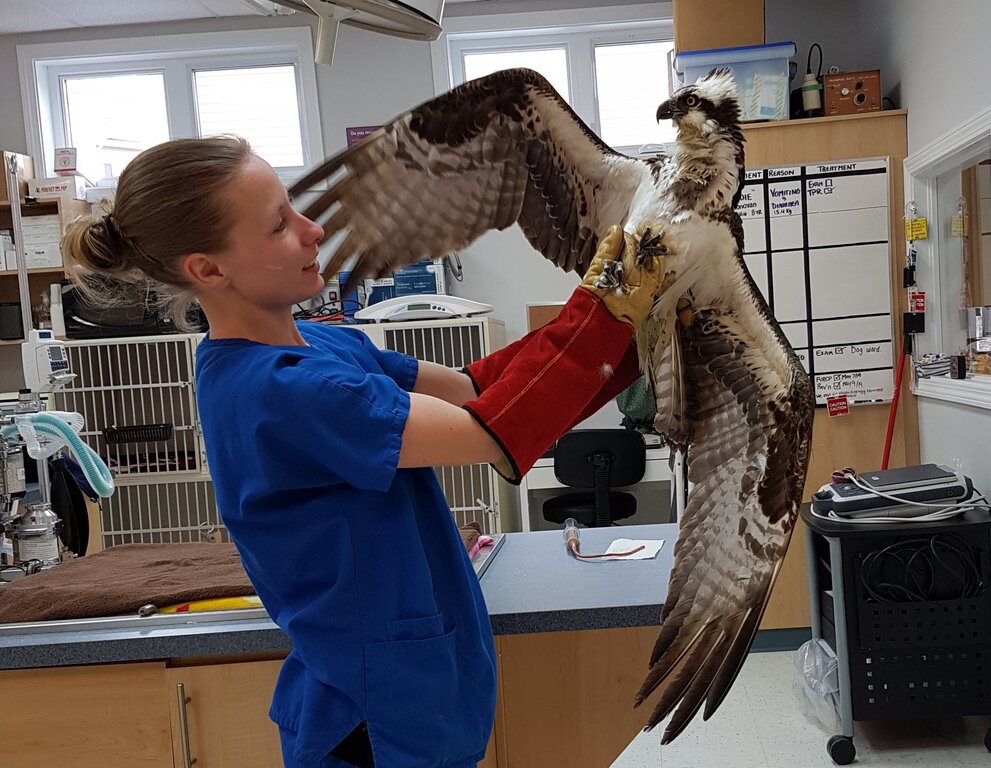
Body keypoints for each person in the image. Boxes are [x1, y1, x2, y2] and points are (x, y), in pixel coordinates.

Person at [62, 136, 665, 768]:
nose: (312, 229)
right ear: (208, 270)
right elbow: (491, 432)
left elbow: (475, 387)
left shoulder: (320, 347)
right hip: (372, 722)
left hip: (407, 698)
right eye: (277, 225)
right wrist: (609, 302)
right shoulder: (288, 391)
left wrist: (631, 323)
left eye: (293, 208)